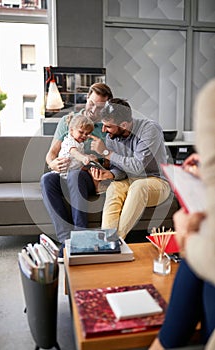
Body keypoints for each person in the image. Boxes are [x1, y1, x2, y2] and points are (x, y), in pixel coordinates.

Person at [149, 79, 215, 350]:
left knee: (194, 268)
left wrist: (187, 240)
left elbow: (137, 165)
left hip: (145, 180)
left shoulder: (147, 130)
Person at [40, 83, 113, 260]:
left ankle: (81, 237)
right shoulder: (69, 121)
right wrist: (53, 164)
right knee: (46, 180)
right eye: (92, 103)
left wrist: (102, 154)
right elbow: (51, 153)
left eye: (100, 106)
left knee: (75, 174)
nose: (94, 109)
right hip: (64, 173)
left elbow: (112, 160)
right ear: (87, 98)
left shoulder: (106, 127)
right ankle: (66, 240)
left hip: (87, 177)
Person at [89, 98, 171, 239]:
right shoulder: (112, 137)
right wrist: (110, 175)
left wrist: (106, 153)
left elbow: (139, 166)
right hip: (129, 180)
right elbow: (120, 168)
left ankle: (116, 241)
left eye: (108, 126)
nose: (104, 130)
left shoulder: (149, 129)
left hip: (156, 181)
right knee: (114, 188)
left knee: (138, 186)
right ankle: (107, 241)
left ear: (124, 125)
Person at [57, 113, 104, 193]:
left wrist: (88, 156)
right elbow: (74, 153)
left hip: (75, 167)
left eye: (86, 134)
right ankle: (97, 187)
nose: (84, 136)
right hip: (68, 171)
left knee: (93, 166)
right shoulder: (69, 141)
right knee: (90, 167)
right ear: (71, 130)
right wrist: (84, 158)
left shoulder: (79, 142)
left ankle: (98, 185)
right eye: (81, 132)